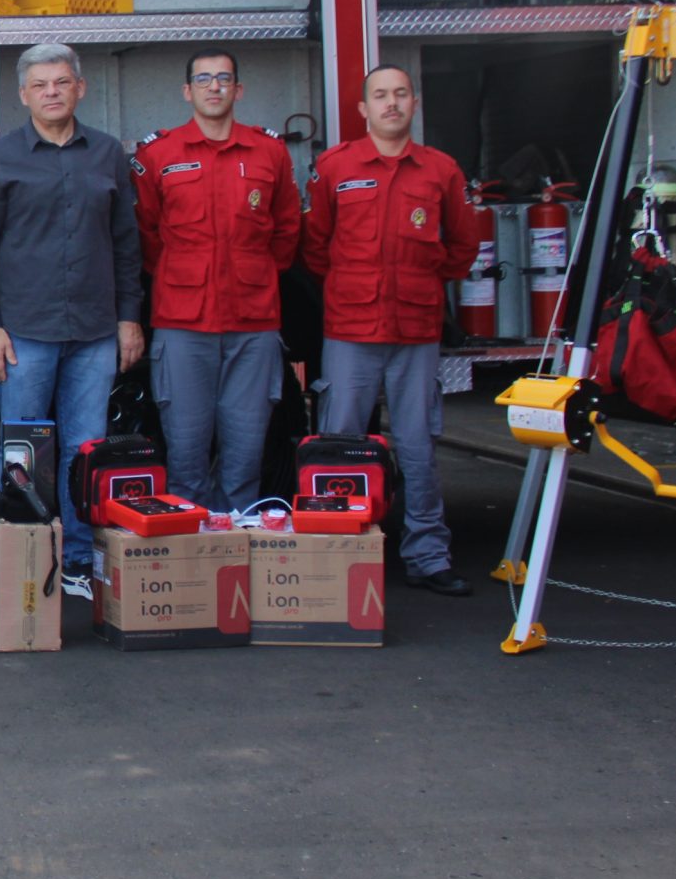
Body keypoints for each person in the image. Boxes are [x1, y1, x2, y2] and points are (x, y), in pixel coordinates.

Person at [303, 65, 490, 595]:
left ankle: (428, 556)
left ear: (414, 103)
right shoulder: (335, 167)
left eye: (400, 94)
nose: (391, 104)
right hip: (351, 330)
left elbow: (462, 246)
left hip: (415, 331)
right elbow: (315, 246)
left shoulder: (440, 171)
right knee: (340, 446)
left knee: (417, 448)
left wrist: (420, 284)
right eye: (380, 96)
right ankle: (339, 550)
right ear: (362, 109)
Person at [0, 43, 142, 593]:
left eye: (62, 83)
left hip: (93, 331)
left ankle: (80, 563)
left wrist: (129, 318)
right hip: (24, 333)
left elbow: (126, 245)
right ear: (23, 95)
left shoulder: (108, 154)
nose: (52, 93)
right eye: (40, 86)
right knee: (21, 450)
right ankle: (17, 564)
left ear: (79, 88)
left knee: (86, 448)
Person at [133, 48, 301, 511]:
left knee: (246, 447)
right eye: (203, 79)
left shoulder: (269, 152)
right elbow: (146, 234)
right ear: (187, 91)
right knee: (185, 447)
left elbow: (287, 231)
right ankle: (196, 550)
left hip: (253, 324)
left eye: (224, 78)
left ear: (238, 90)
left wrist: (255, 275)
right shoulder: (159, 153)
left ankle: (235, 541)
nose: (214, 87)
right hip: (183, 324)